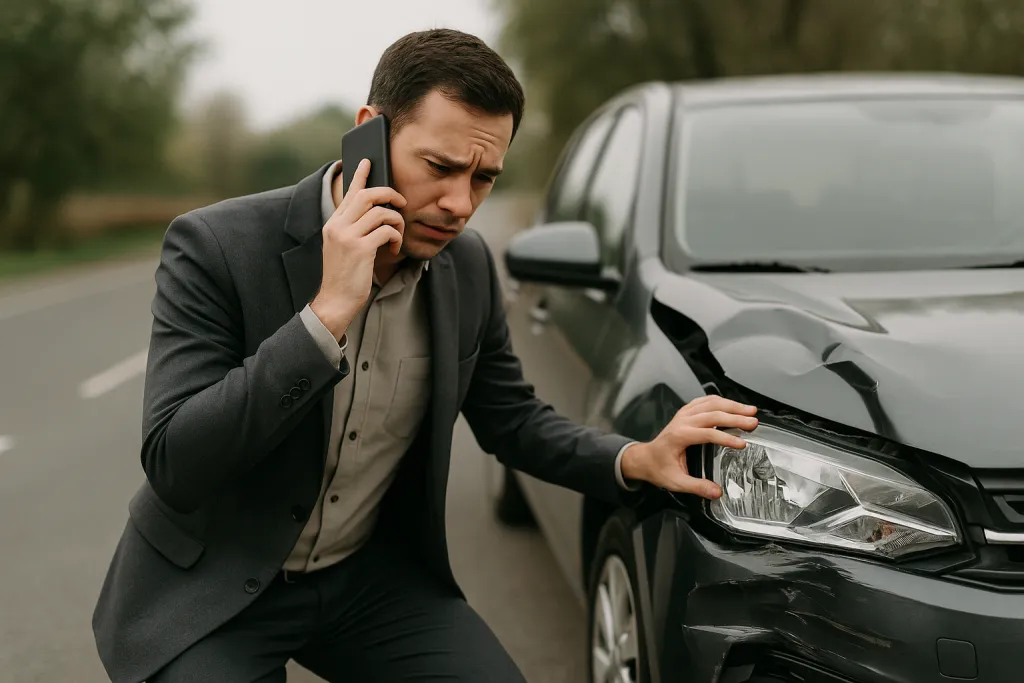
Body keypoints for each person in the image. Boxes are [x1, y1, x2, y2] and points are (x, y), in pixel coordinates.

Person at [92, 28, 759, 683]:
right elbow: (176, 461)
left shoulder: (466, 267)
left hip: (365, 580)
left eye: (485, 177)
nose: (459, 204)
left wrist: (632, 456)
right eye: (440, 167)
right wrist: (326, 315)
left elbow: (512, 419)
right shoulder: (215, 246)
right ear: (370, 133)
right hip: (213, 588)